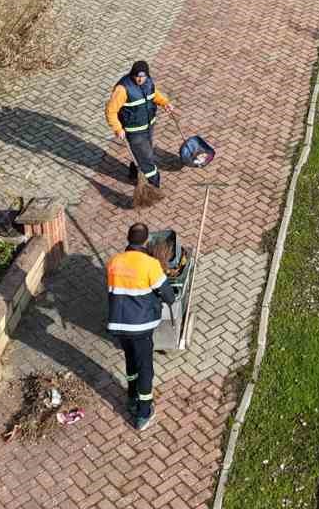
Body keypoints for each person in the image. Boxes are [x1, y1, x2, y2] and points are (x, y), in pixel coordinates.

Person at [107, 222, 178, 431]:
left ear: (128, 239)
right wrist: (167, 298)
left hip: (119, 325)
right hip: (140, 327)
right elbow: (167, 295)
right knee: (145, 368)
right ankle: (144, 412)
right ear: (146, 242)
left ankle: (131, 397)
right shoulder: (150, 264)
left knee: (131, 362)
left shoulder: (114, 262)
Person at [106, 60, 175, 197]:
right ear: (132, 74)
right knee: (147, 158)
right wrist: (118, 128)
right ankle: (154, 186)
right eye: (137, 76)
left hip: (149, 126)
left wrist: (165, 103)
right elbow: (111, 111)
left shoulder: (148, 82)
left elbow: (154, 95)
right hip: (134, 131)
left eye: (143, 76)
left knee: (143, 153)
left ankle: (134, 171)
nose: (140, 79)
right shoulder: (122, 89)